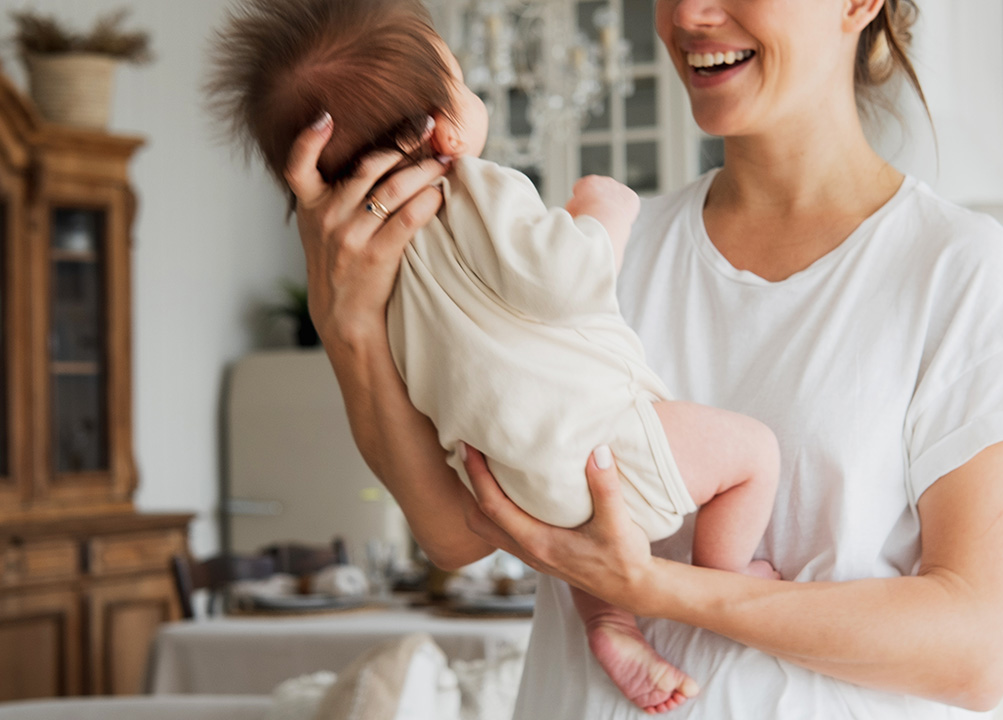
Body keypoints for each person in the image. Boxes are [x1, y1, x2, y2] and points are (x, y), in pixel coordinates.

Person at [278, 0, 1003, 716]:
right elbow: (458, 532)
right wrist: (348, 325)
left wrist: (654, 591)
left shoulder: (964, 274)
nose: (684, 15)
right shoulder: (602, 245)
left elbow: (975, 651)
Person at [207, 0, 783, 713]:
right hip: (604, 441)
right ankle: (726, 580)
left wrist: (347, 316)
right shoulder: (476, 185)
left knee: (575, 527)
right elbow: (568, 278)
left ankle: (609, 622)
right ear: (444, 126)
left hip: (511, 479)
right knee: (753, 454)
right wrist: (605, 212)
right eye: (464, 77)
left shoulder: (377, 272)